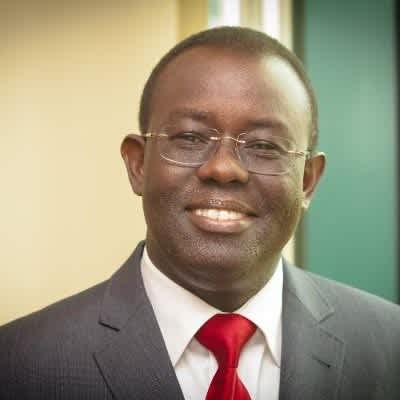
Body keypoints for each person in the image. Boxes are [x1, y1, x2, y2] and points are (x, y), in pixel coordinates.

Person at [0, 26, 399, 400]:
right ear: (138, 165)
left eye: (264, 146)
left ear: (307, 180)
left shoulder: (390, 345)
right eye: (190, 137)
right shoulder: (18, 364)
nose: (224, 168)